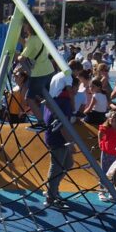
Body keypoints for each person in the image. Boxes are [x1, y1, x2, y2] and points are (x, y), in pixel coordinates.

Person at [43, 77, 75, 210]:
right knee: (56, 167)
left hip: (55, 137)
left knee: (68, 164)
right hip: (58, 139)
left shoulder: (54, 99)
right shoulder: (64, 102)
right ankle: (51, 197)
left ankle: (52, 189)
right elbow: (61, 125)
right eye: (75, 87)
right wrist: (71, 142)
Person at [19, 22, 52, 126]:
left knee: (29, 98)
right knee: (45, 97)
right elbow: (29, 47)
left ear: (29, 26)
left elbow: (23, 57)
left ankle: (41, 121)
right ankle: (55, 116)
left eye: (24, 25)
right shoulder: (41, 37)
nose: (23, 26)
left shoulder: (32, 39)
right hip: (49, 70)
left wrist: (17, 56)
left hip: (39, 73)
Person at [97, 112, 116, 202]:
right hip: (106, 153)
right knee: (104, 172)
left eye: (114, 119)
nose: (111, 119)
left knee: (114, 173)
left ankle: (111, 191)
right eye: (110, 118)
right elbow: (100, 132)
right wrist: (100, 143)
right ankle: (101, 191)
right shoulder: (106, 128)